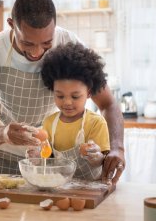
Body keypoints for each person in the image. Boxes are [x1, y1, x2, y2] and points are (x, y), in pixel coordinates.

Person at [0, 0, 125, 184]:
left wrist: (117, 148)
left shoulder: (68, 42)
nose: (37, 52)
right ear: (11, 25)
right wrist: (3, 133)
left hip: (53, 159)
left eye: (46, 43)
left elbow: (108, 104)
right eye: (27, 42)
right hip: (2, 158)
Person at [39, 42, 110, 180]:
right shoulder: (49, 123)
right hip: (59, 187)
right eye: (60, 96)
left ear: (89, 93)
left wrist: (95, 156)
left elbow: (101, 161)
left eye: (75, 96)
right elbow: (48, 158)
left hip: (90, 189)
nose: (67, 102)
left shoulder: (96, 122)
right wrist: (37, 155)